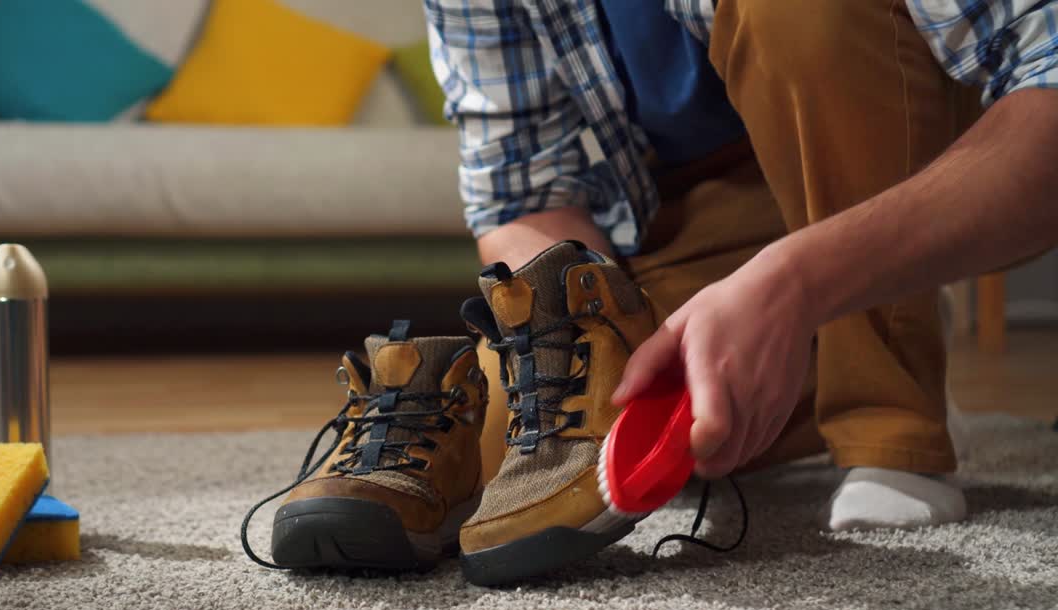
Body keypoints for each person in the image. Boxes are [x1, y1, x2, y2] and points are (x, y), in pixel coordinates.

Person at [423, 0, 1058, 551]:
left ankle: (889, 420)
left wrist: (799, 282)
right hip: (708, 209)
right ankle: (862, 331)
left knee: (798, 13)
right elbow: (522, 192)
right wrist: (591, 348)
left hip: (908, 150)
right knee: (499, 422)